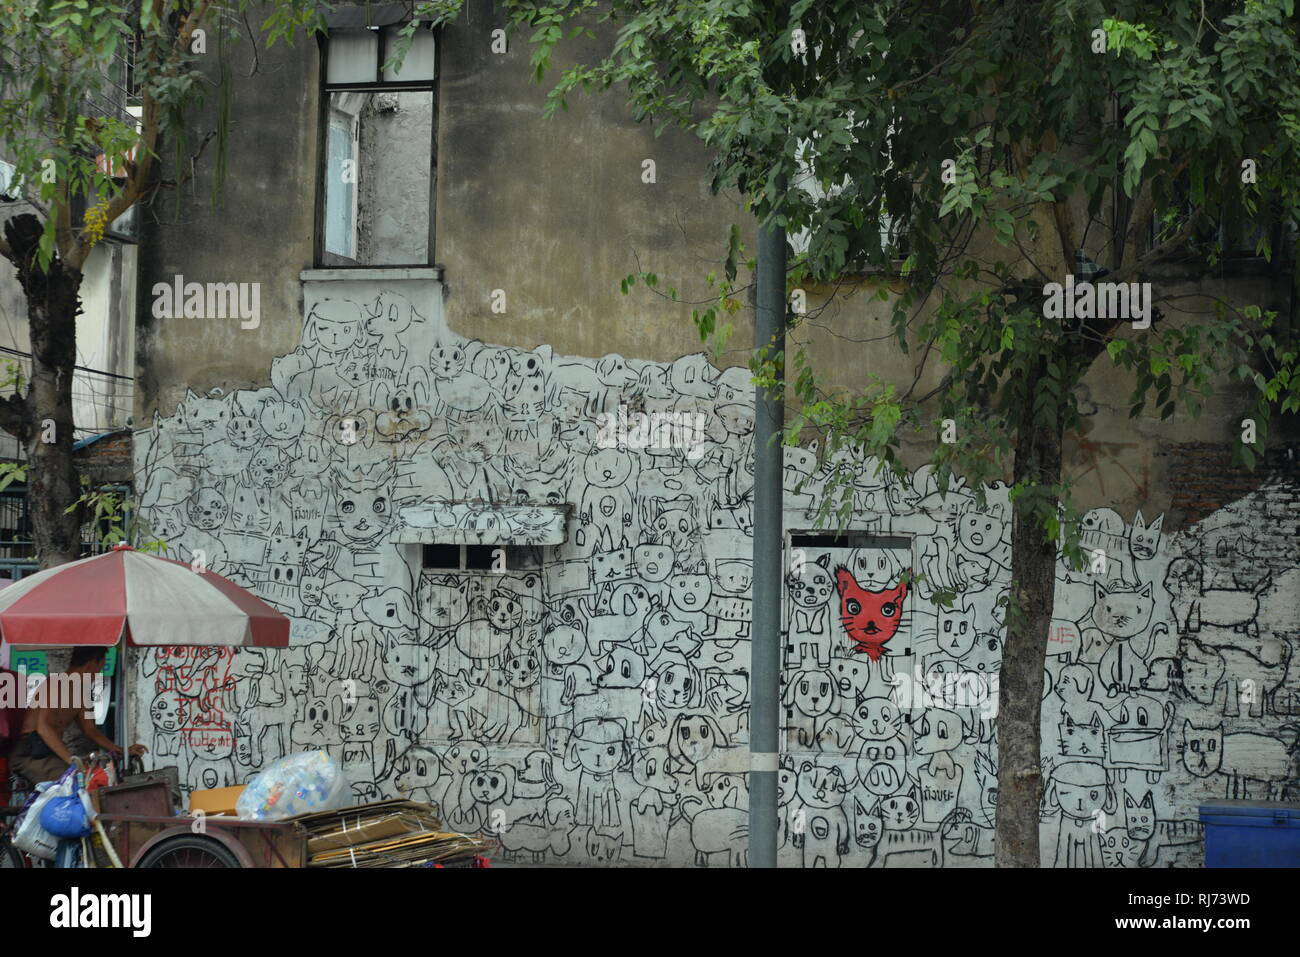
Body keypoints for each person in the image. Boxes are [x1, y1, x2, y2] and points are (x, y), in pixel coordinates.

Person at [8, 646, 146, 786]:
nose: (98, 674)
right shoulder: (54, 685)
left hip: (50, 754)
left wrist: (123, 751)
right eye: (100, 668)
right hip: (29, 753)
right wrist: (71, 760)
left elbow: (91, 731)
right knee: (73, 781)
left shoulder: (83, 694)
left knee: (91, 777)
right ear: (90, 664)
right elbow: (43, 727)